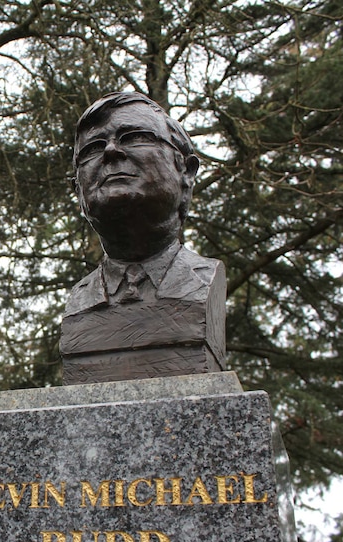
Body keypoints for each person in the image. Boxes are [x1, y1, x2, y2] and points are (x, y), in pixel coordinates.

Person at [60, 92, 226, 385]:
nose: (111, 151)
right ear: (78, 190)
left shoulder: (202, 282)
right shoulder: (81, 301)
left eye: (134, 136)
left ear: (185, 171)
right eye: (92, 148)